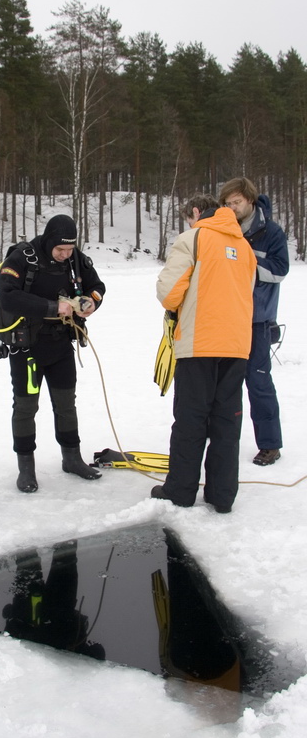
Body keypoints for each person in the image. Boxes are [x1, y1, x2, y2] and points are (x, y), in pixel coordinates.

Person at [151, 195, 257, 513]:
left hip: (199, 344)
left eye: (189, 218)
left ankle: (180, 491)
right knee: (227, 421)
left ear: (196, 213)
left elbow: (169, 294)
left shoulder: (193, 238)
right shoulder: (245, 248)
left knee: (190, 420)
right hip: (237, 346)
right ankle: (222, 495)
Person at [0, 214, 106, 493]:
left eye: (69, 249)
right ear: (49, 242)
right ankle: (26, 469)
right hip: (27, 348)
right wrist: (52, 307)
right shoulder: (23, 258)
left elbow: (98, 287)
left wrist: (90, 302)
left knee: (66, 404)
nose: (65, 255)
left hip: (60, 346)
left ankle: (72, 458)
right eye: (60, 250)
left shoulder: (75, 259)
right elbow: (7, 294)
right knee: (25, 407)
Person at [219, 178, 289, 466]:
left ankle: (270, 444)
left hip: (257, 320)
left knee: (258, 382)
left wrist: (247, 266)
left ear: (250, 200)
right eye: (227, 203)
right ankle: (218, 435)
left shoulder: (270, 232)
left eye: (236, 202)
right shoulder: (224, 229)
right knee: (221, 383)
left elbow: (281, 270)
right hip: (225, 318)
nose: (232, 208)